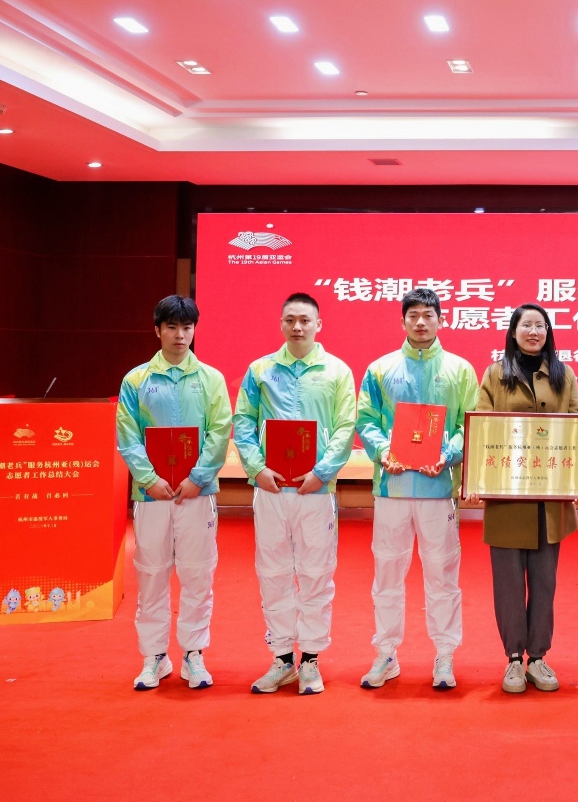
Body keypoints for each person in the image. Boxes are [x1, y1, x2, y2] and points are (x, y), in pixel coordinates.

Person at [355, 287, 479, 690]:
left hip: (437, 488)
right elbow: (366, 419)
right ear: (403, 321)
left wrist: (448, 454)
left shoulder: (460, 370)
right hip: (392, 486)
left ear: (441, 319)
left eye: (428, 315)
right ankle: (386, 654)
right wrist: (382, 452)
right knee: (387, 574)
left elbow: (469, 423)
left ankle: (444, 655)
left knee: (443, 575)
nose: (421, 322)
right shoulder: (380, 369)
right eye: (414, 315)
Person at [233, 292, 356, 695]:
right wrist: (256, 468)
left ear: (319, 324)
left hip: (315, 491)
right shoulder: (260, 370)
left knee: (316, 573)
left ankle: (311, 660)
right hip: (270, 488)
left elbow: (345, 426)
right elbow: (243, 422)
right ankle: (283, 658)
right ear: (281, 324)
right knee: (273, 573)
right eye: (290, 320)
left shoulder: (337, 371)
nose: (297, 327)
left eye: (305, 320)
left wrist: (322, 472)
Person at [465, 304, 578, 694]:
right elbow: (483, 428)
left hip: (549, 500)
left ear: (548, 332)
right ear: (513, 332)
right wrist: (477, 478)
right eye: (526, 325)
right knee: (509, 584)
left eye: (540, 325)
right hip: (508, 497)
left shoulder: (564, 375)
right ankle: (515, 658)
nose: (534, 331)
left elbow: (576, 430)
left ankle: (539, 657)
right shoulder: (495, 374)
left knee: (545, 584)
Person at [116, 295, 232, 691]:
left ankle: (194, 655)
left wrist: (198, 477)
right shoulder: (136, 380)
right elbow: (127, 435)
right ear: (157, 330)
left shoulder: (211, 379)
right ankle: (154, 657)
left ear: (194, 330)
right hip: (153, 496)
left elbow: (220, 431)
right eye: (172, 327)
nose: (180, 335)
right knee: (151, 574)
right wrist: (147, 478)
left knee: (198, 574)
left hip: (197, 493)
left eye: (187, 327)